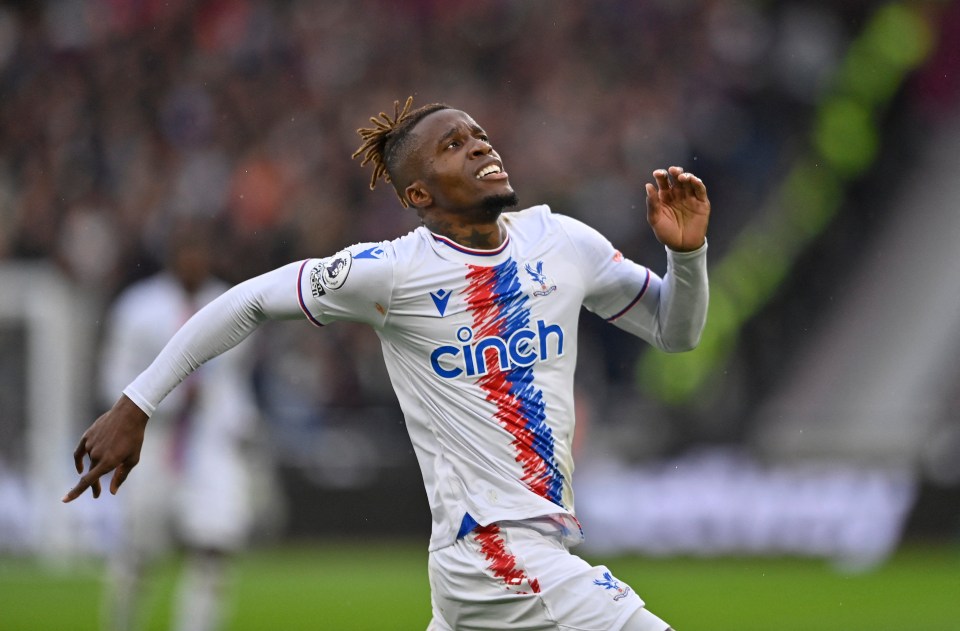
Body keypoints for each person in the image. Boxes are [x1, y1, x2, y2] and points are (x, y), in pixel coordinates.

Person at [64, 97, 710, 631]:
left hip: (511, 553)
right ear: (420, 193)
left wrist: (686, 257)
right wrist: (136, 403)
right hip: (494, 551)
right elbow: (248, 300)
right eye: (454, 144)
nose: (481, 145)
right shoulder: (391, 272)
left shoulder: (565, 242)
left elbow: (674, 332)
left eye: (480, 134)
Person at [96, 224, 260, 631]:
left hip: (209, 442)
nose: (193, 261)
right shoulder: (139, 308)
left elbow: (233, 380)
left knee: (214, 546)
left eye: (200, 252)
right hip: (151, 442)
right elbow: (113, 377)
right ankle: (120, 622)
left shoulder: (231, 302)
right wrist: (161, 404)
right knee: (139, 552)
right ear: (172, 256)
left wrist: (241, 422)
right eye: (186, 252)